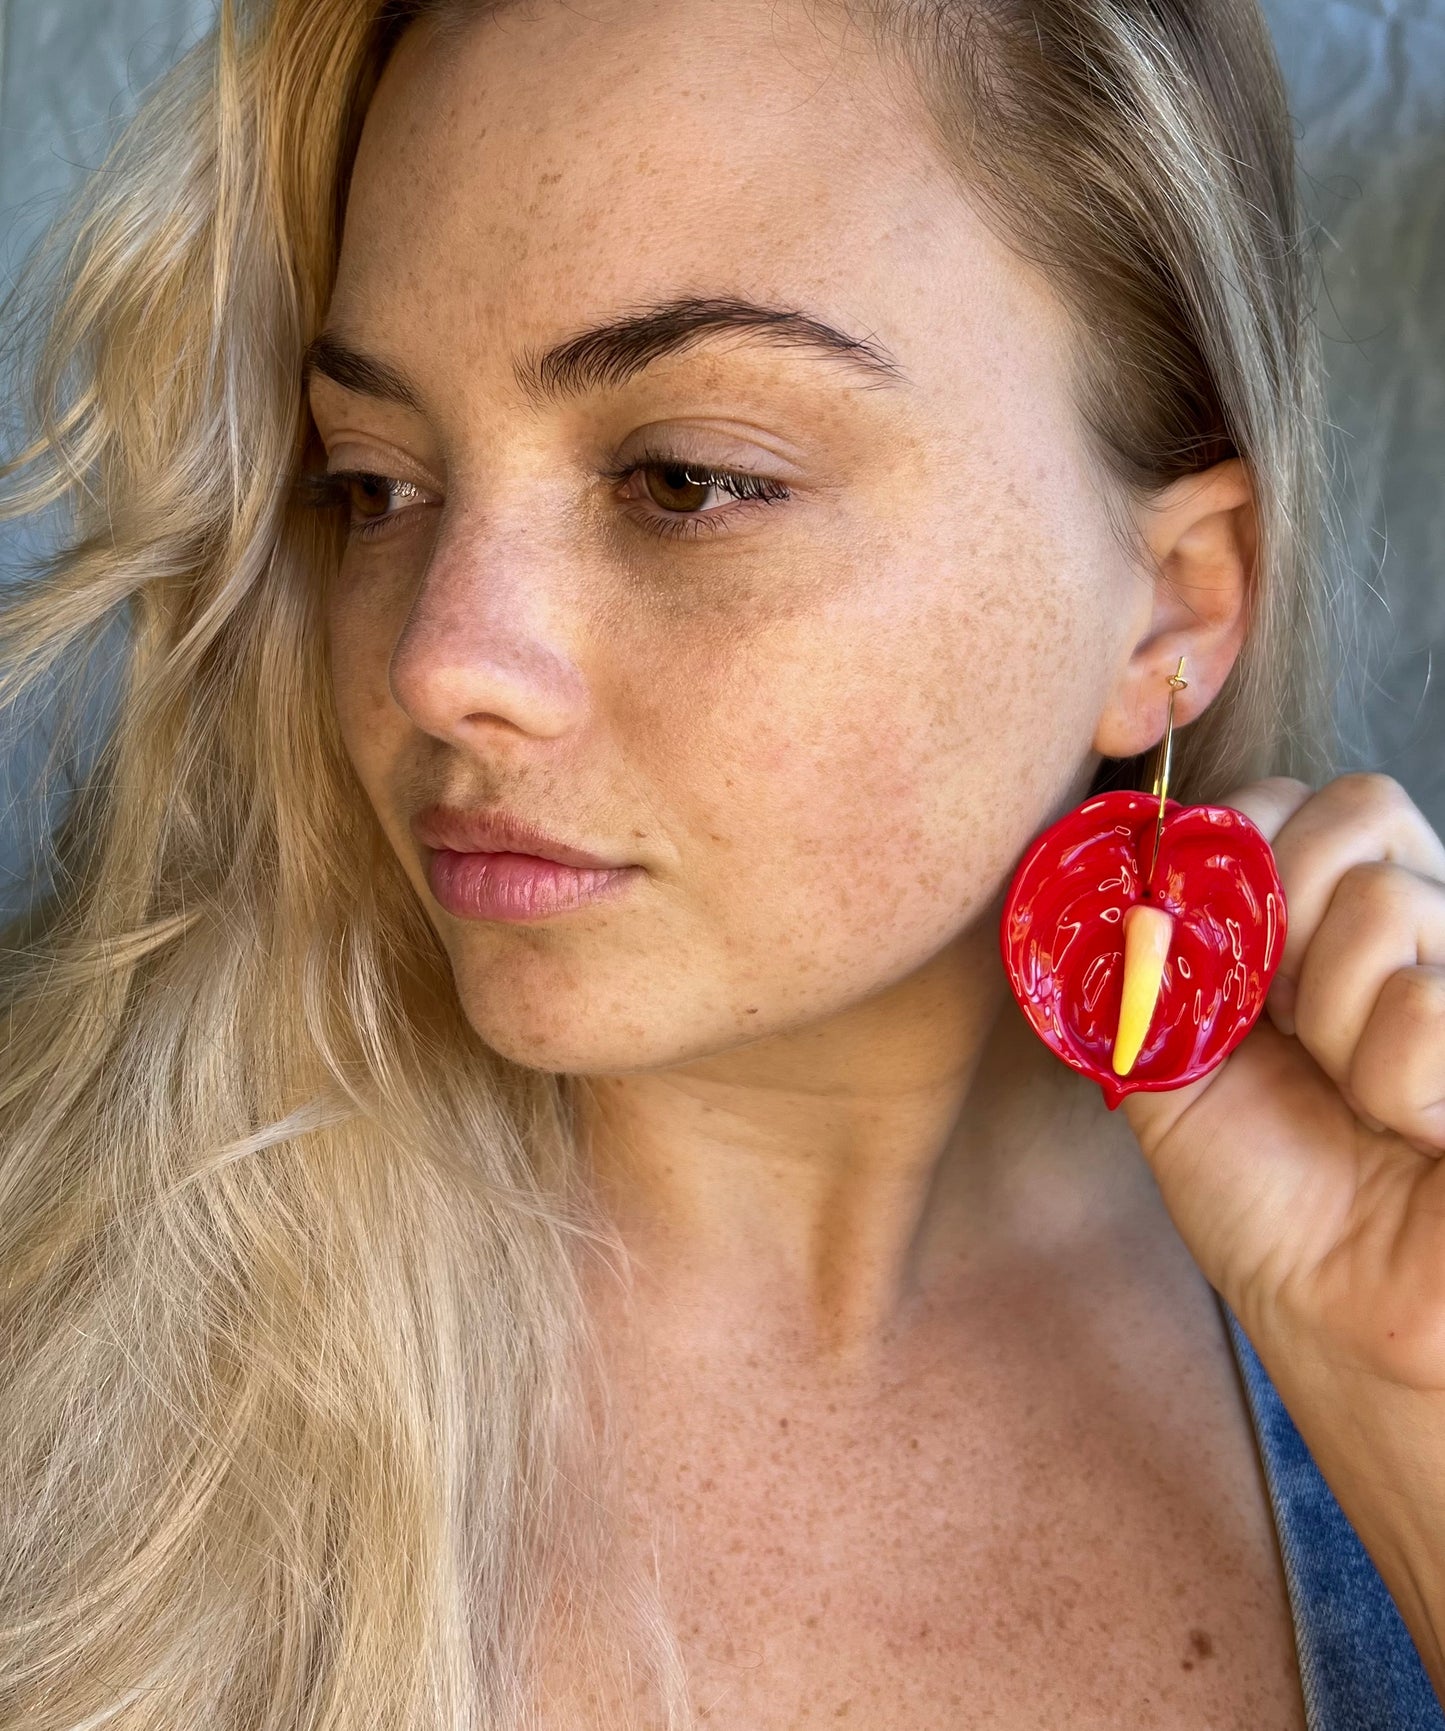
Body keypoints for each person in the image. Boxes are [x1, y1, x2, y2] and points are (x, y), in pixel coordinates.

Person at [1, 0, 1443, 1725]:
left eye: (689, 478)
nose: (435, 660)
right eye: (374, 483)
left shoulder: (1390, 1304)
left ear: (1176, 601)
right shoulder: (59, 1324)